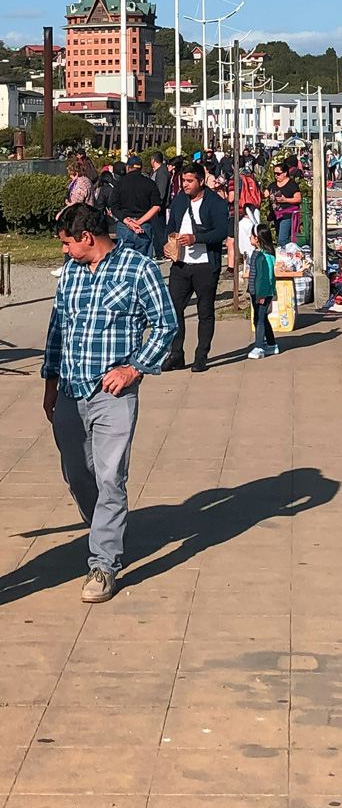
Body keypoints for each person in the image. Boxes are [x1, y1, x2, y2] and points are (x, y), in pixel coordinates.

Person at [41, 202, 177, 602]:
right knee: (77, 474)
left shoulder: (138, 268)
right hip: (70, 389)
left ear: (87, 238)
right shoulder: (70, 272)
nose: (64, 250)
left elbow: (165, 324)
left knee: (109, 476)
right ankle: (105, 524)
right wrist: (49, 385)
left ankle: (103, 564)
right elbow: (57, 327)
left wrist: (134, 369)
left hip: (112, 392)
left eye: (67, 243)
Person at [164, 163, 233, 373]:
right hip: (180, 265)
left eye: (189, 181)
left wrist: (197, 239)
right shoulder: (179, 201)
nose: (185, 185)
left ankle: (201, 355)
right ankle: (176, 353)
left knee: (205, 312)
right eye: (183, 180)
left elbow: (222, 231)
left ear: (201, 181)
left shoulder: (215, 203)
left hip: (205, 265)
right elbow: (170, 227)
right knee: (173, 310)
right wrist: (167, 246)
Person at [109, 155, 164, 258]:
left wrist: (128, 222)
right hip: (143, 225)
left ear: (127, 167)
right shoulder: (150, 184)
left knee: (124, 262)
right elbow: (156, 206)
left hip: (125, 226)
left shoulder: (120, 184)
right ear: (141, 168)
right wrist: (139, 222)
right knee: (143, 262)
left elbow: (114, 207)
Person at [247, 221, 279, 360]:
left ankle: (259, 346)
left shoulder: (264, 257)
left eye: (251, 236)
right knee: (262, 318)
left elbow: (265, 277)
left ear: (258, 239)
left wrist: (261, 294)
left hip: (261, 293)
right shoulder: (258, 253)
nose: (249, 238)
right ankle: (271, 344)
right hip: (256, 291)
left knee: (259, 319)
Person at [268, 164, 302, 247]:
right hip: (277, 214)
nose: (276, 176)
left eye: (278, 173)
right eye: (274, 173)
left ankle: (287, 254)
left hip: (287, 214)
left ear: (285, 173)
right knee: (279, 237)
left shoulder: (292, 184)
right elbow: (264, 194)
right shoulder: (273, 185)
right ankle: (283, 254)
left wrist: (285, 200)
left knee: (282, 239)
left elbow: (298, 199)